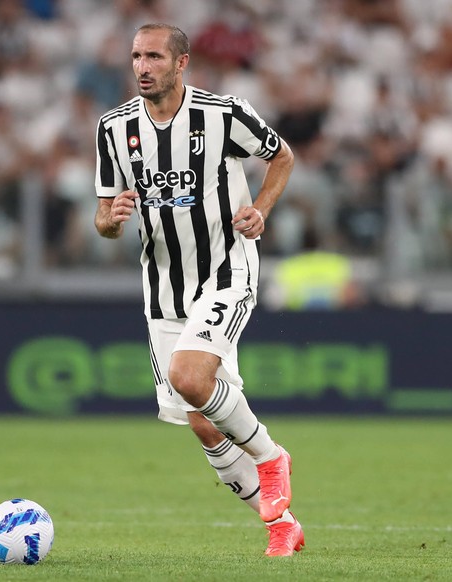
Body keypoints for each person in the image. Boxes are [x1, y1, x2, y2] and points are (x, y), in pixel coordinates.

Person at [93, 23, 302, 557]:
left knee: (190, 376)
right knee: (203, 426)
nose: (142, 66)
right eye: (136, 56)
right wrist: (112, 220)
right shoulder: (114, 128)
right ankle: (281, 526)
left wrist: (262, 208)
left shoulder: (223, 114)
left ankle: (271, 456)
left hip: (227, 269)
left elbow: (282, 157)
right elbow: (103, 215)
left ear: (181, 63)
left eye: (154, 57)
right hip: (164, 290)